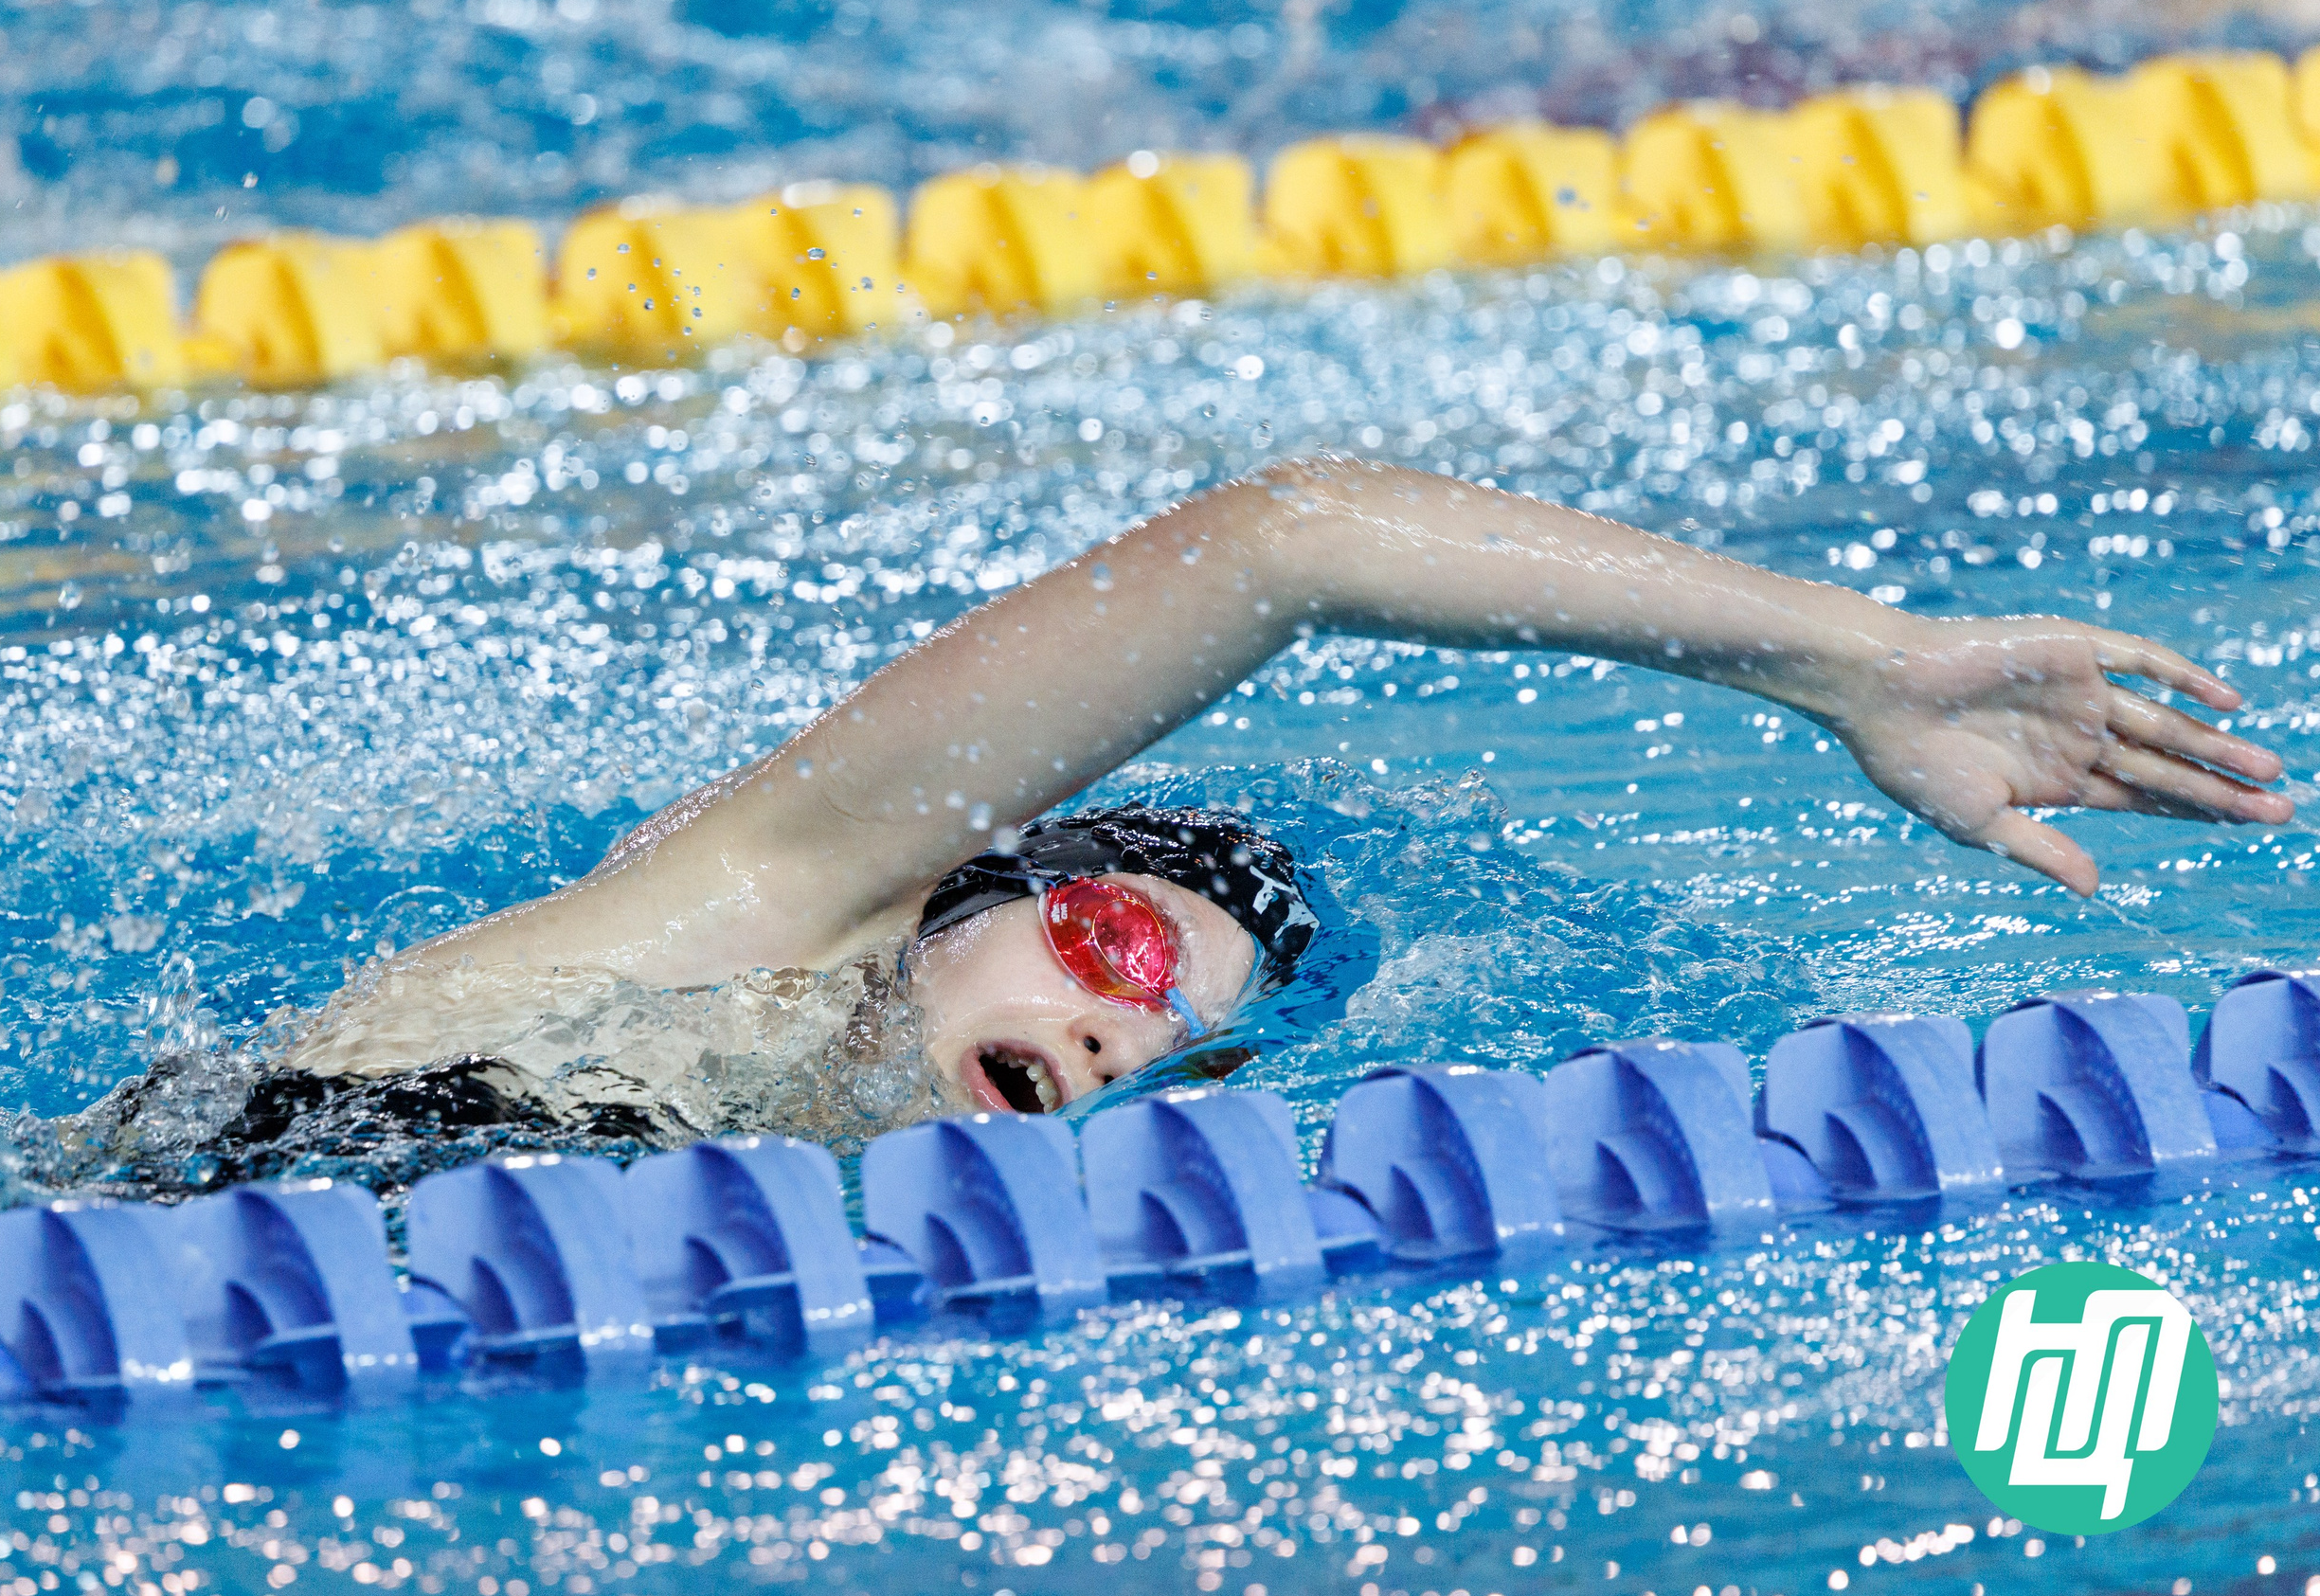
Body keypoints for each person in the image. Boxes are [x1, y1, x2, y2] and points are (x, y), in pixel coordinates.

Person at [269, 455, 2291, 1125]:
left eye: (1176, 1031)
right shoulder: (734, 920)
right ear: (939, 895)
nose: (1121, 1018)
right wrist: (1843, 655)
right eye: (1121, 937)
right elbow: (1284, 536)